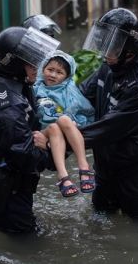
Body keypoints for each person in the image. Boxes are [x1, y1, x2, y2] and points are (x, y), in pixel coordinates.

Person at [0, 26, 60, 233]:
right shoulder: (8, 107)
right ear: (16, 65)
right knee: (28, 247)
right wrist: (49, 147)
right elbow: (28, 158)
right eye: (32, 62)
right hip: (4, 193)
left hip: (2, 185)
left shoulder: (9, 83)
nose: (39, 66)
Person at [78, 8, 138, 218]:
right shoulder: (106, 69)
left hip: (137, 175)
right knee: (100, 221)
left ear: (128, 51)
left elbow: (106, 129)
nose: (104, 52)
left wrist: (62, 142)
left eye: (111, 46)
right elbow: (79, 97)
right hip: (106, 169)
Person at [33, 50, 95, 197]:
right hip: (42, 131)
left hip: (59, 128)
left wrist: (69, 120)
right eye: (50, 70)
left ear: (67, 76)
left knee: (59, 123)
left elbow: (84, 110)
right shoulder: (35, 88)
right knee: (58, 122)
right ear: (43, 69)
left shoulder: (70, 90)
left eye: (59, 72)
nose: (53, 75)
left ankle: (67, 176)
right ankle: (77, 172)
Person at [22, 14, 62, 85]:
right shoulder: (24, 58)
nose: (48, 44)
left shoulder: (53, 57)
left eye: (50, 38)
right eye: (43, 39)